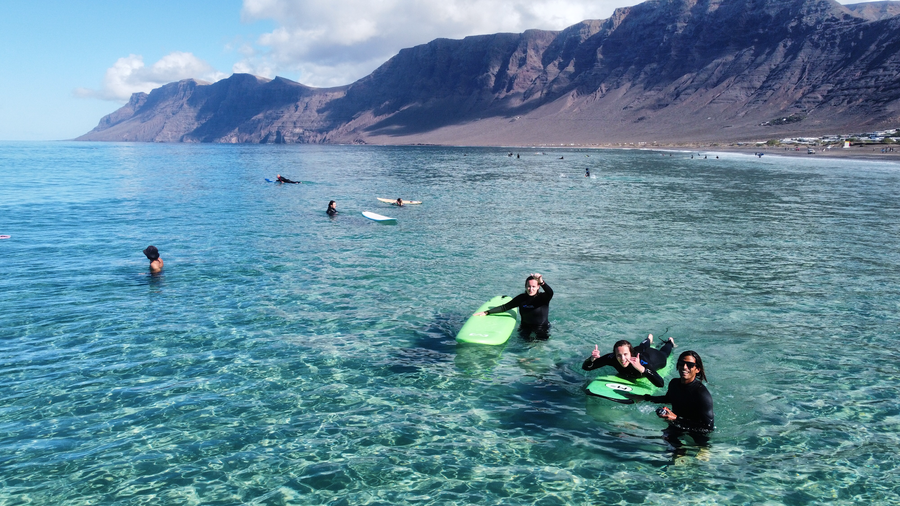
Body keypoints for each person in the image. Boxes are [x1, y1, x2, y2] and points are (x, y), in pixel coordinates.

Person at [644, 350, 715, 442]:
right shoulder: (674, 384)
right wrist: (645, 398)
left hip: (697, 433)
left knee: (700, 453)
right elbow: (668, 399)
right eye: (681, 363)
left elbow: (708, 428)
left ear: (697, 369)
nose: (684, 367)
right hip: (676, 425)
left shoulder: (702, 394)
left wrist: (676, 418)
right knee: (665, 447)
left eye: (689, 365)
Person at [474, 273, 553, 339]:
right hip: (525, 327)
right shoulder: (521, 298)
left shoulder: (543, 298)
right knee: (521, 349)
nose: (531, 289)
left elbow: (550, 292)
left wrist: (542, 282)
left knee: (538, 350)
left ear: (538, 287)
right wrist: (487, 312)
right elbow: (505, 307)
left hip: (542, 328)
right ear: (525, 286)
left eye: (533, 286)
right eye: (529, 286)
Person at [582, 334, 675, 388]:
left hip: (654, 357)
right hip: (638, 350)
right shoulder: (612, 358)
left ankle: (670, 342)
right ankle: (648, 339)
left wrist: (643, 369)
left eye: (625, 354)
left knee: (664, 354)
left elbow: (660, 384)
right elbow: (586, 368)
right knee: (642, 347)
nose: (622, 359)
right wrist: (591, 359)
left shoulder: (642, 362)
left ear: (631, 353)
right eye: (619, 355)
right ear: (615, 354)